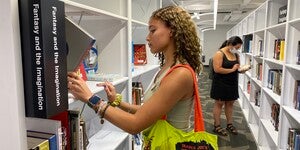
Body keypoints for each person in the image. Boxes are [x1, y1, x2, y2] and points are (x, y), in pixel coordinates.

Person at [68, 5, 202, 139]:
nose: (147, 38)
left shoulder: (180, 74)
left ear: (172, 30)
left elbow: (135, 125)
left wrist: (91, 99)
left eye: (153, 30)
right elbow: (147, 112)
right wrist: (117, 101)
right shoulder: (168, 68)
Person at [210, 36, 244, 136]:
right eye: (236, 47)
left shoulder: (236, 55)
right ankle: (217, 126)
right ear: (230, 44)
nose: (237, 50)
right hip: (220, 82)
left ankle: (229, 124)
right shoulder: (219, 53)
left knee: (230, 104)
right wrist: (232, 70)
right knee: (219, 104)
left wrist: (241, 70)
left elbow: (237, 68)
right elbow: (217, 69)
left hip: (232, 83)